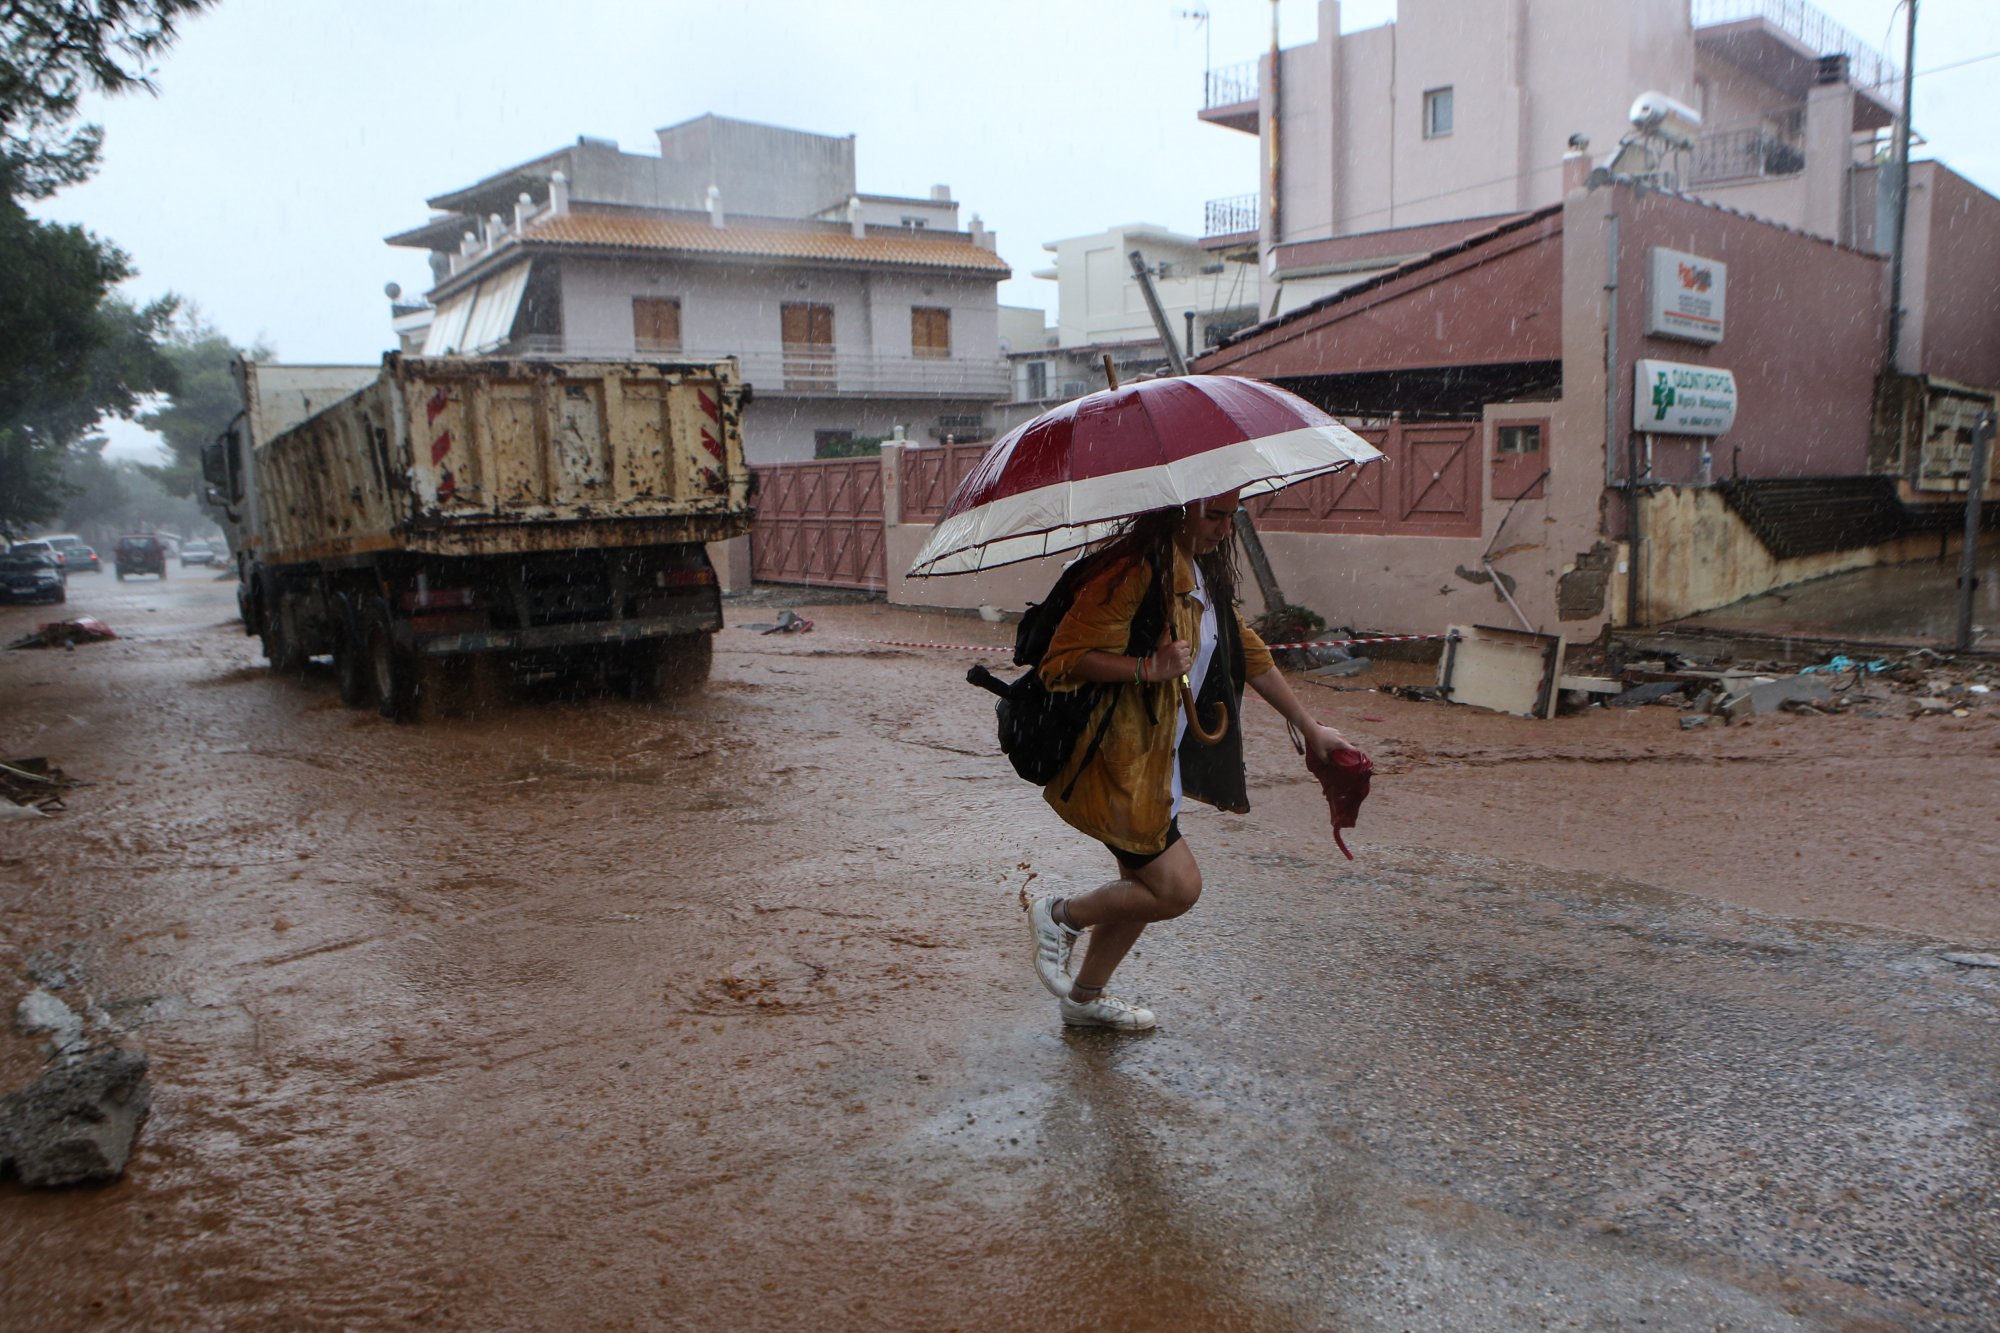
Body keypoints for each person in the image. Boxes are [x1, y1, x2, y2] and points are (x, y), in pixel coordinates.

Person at [1027, 489, 1359, 1030]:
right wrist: (1147, 669)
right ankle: (1060, 915)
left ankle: (1084, 1001)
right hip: (1118, 763)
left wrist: (1309, 727)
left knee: (1140, 889)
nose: (1225, 530)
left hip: (1157, 765)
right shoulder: (1131, 571)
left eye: (1232, 517)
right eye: (1215, 516)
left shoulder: (1193, 573)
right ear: (1179, 510)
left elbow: (1242, 647)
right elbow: (1060, 661)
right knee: (1176, 887)